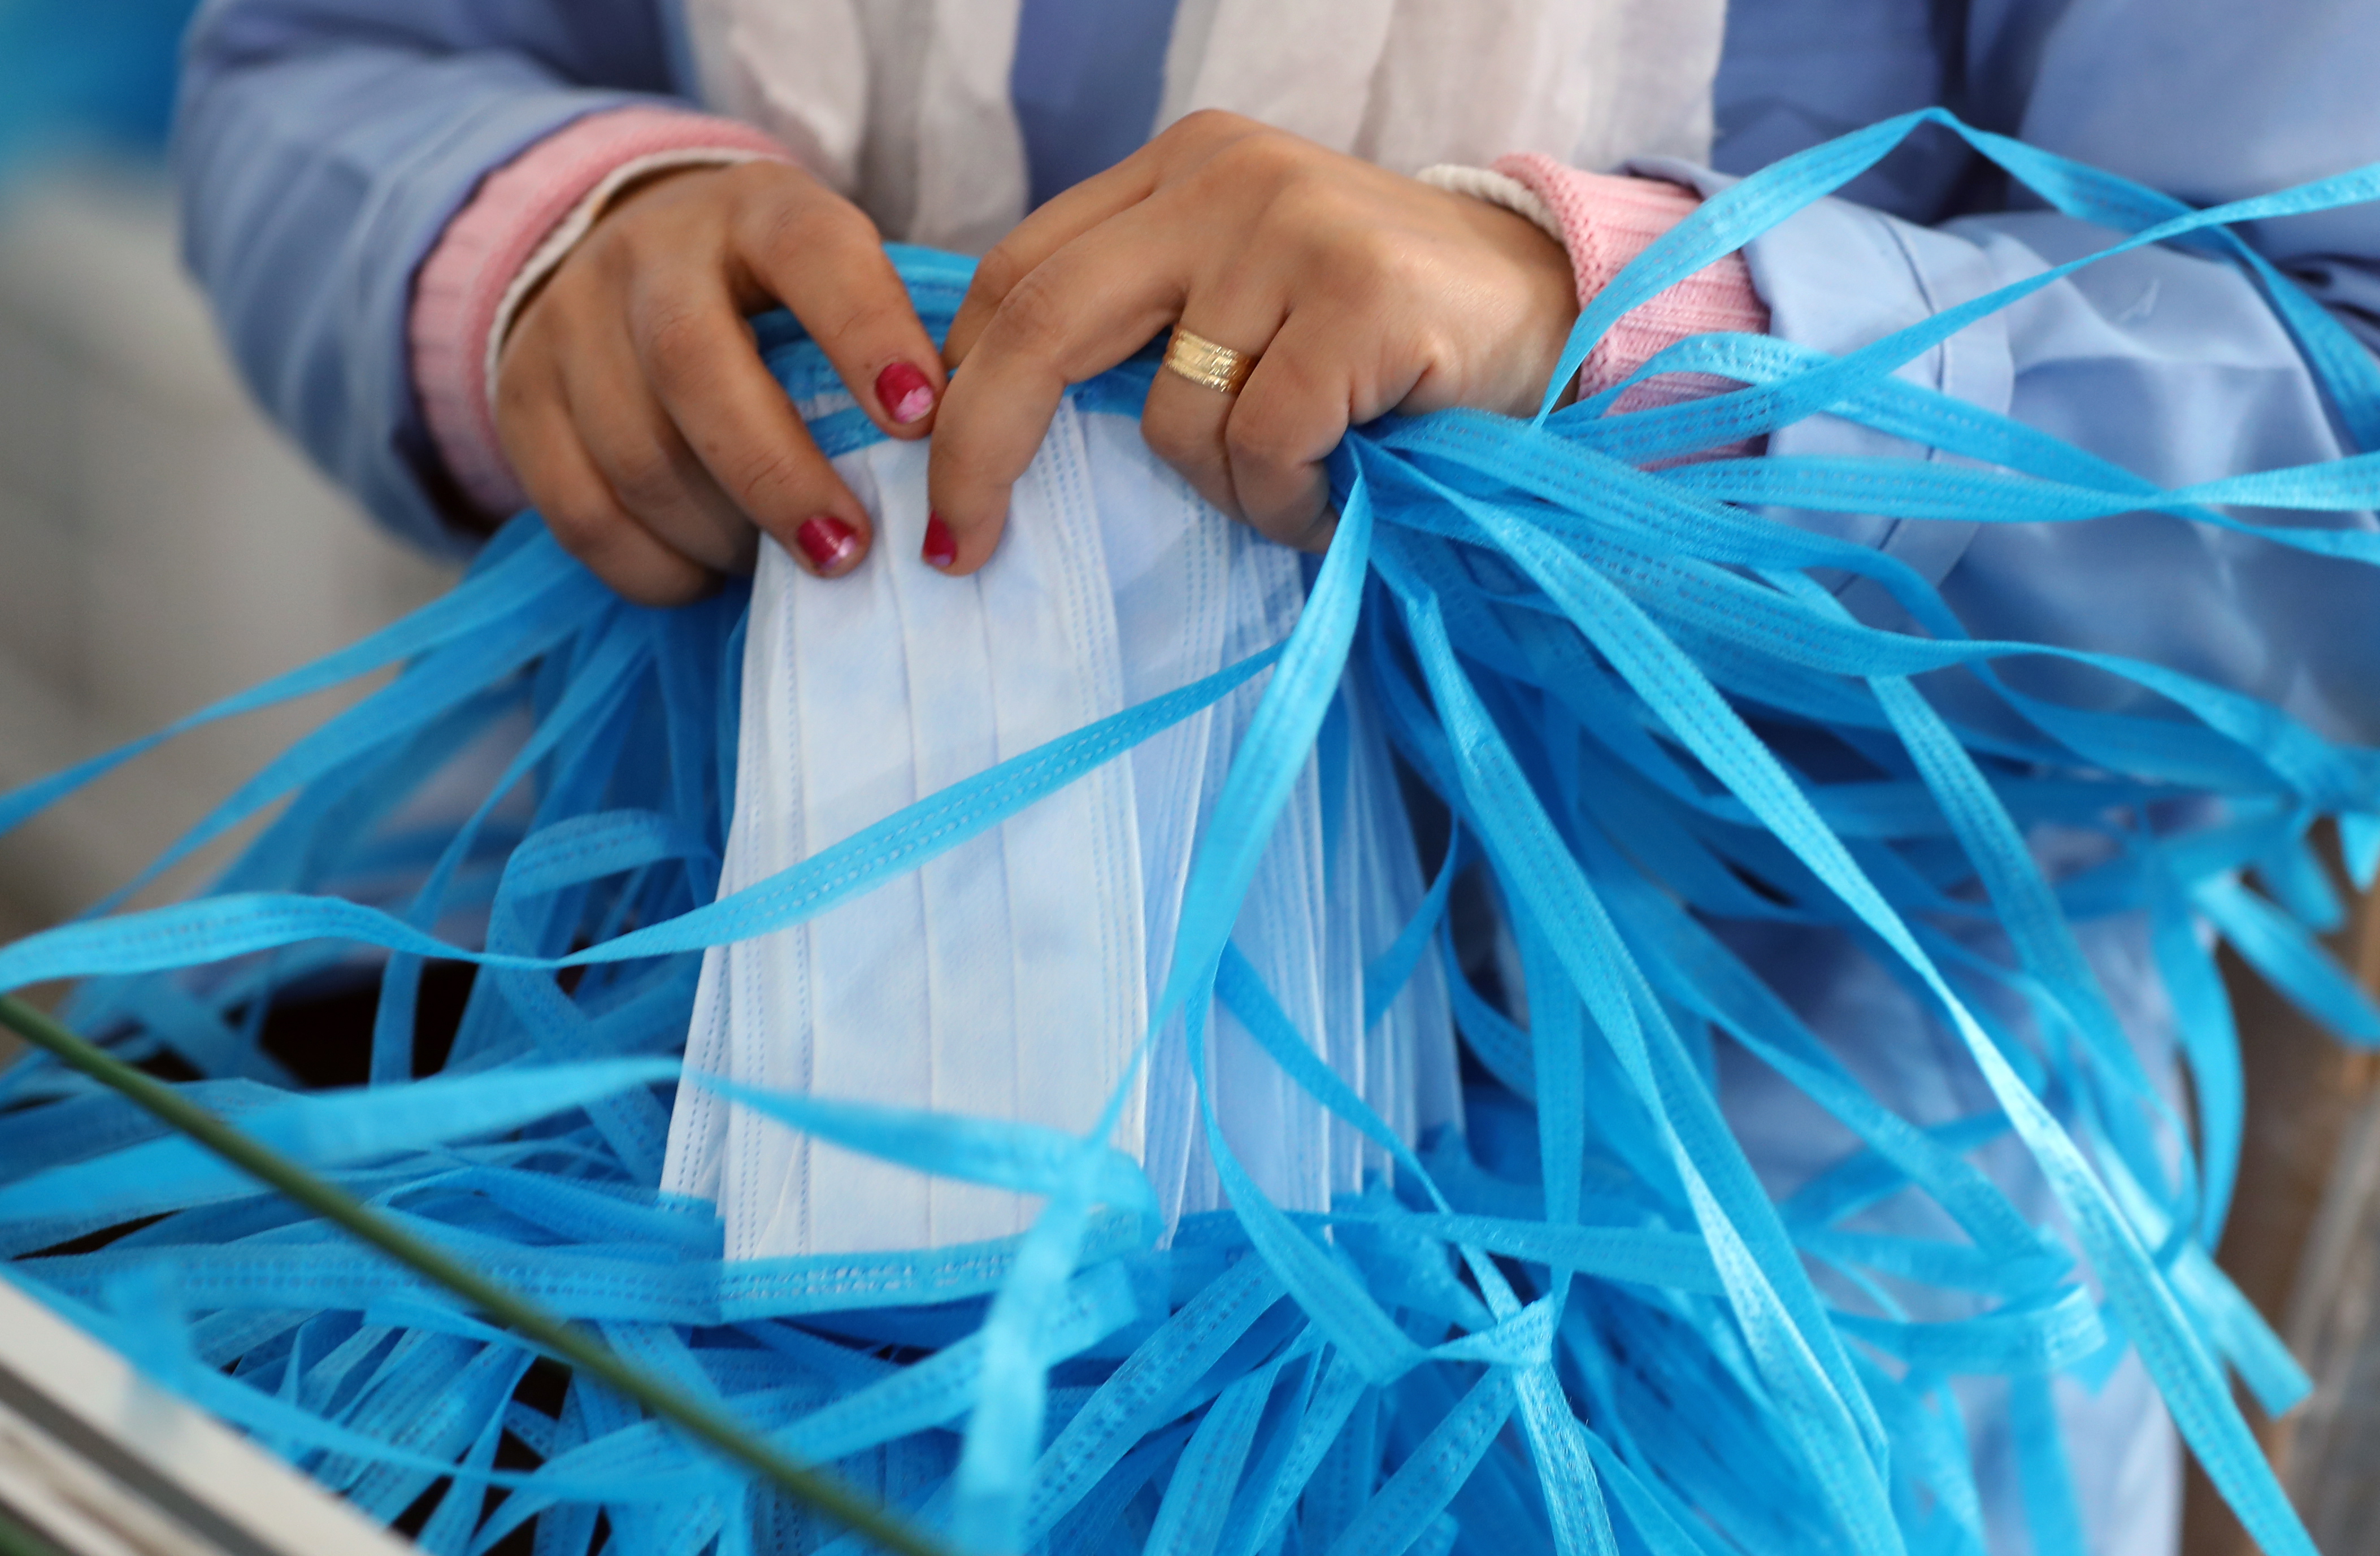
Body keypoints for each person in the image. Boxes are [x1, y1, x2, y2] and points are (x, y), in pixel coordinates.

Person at [171, 2, 2380, 1553]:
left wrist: (1610, 329)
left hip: (1732, 1357)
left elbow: (2334, 432)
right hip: (710, 1268)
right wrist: (555, 236)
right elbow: (328, 61)